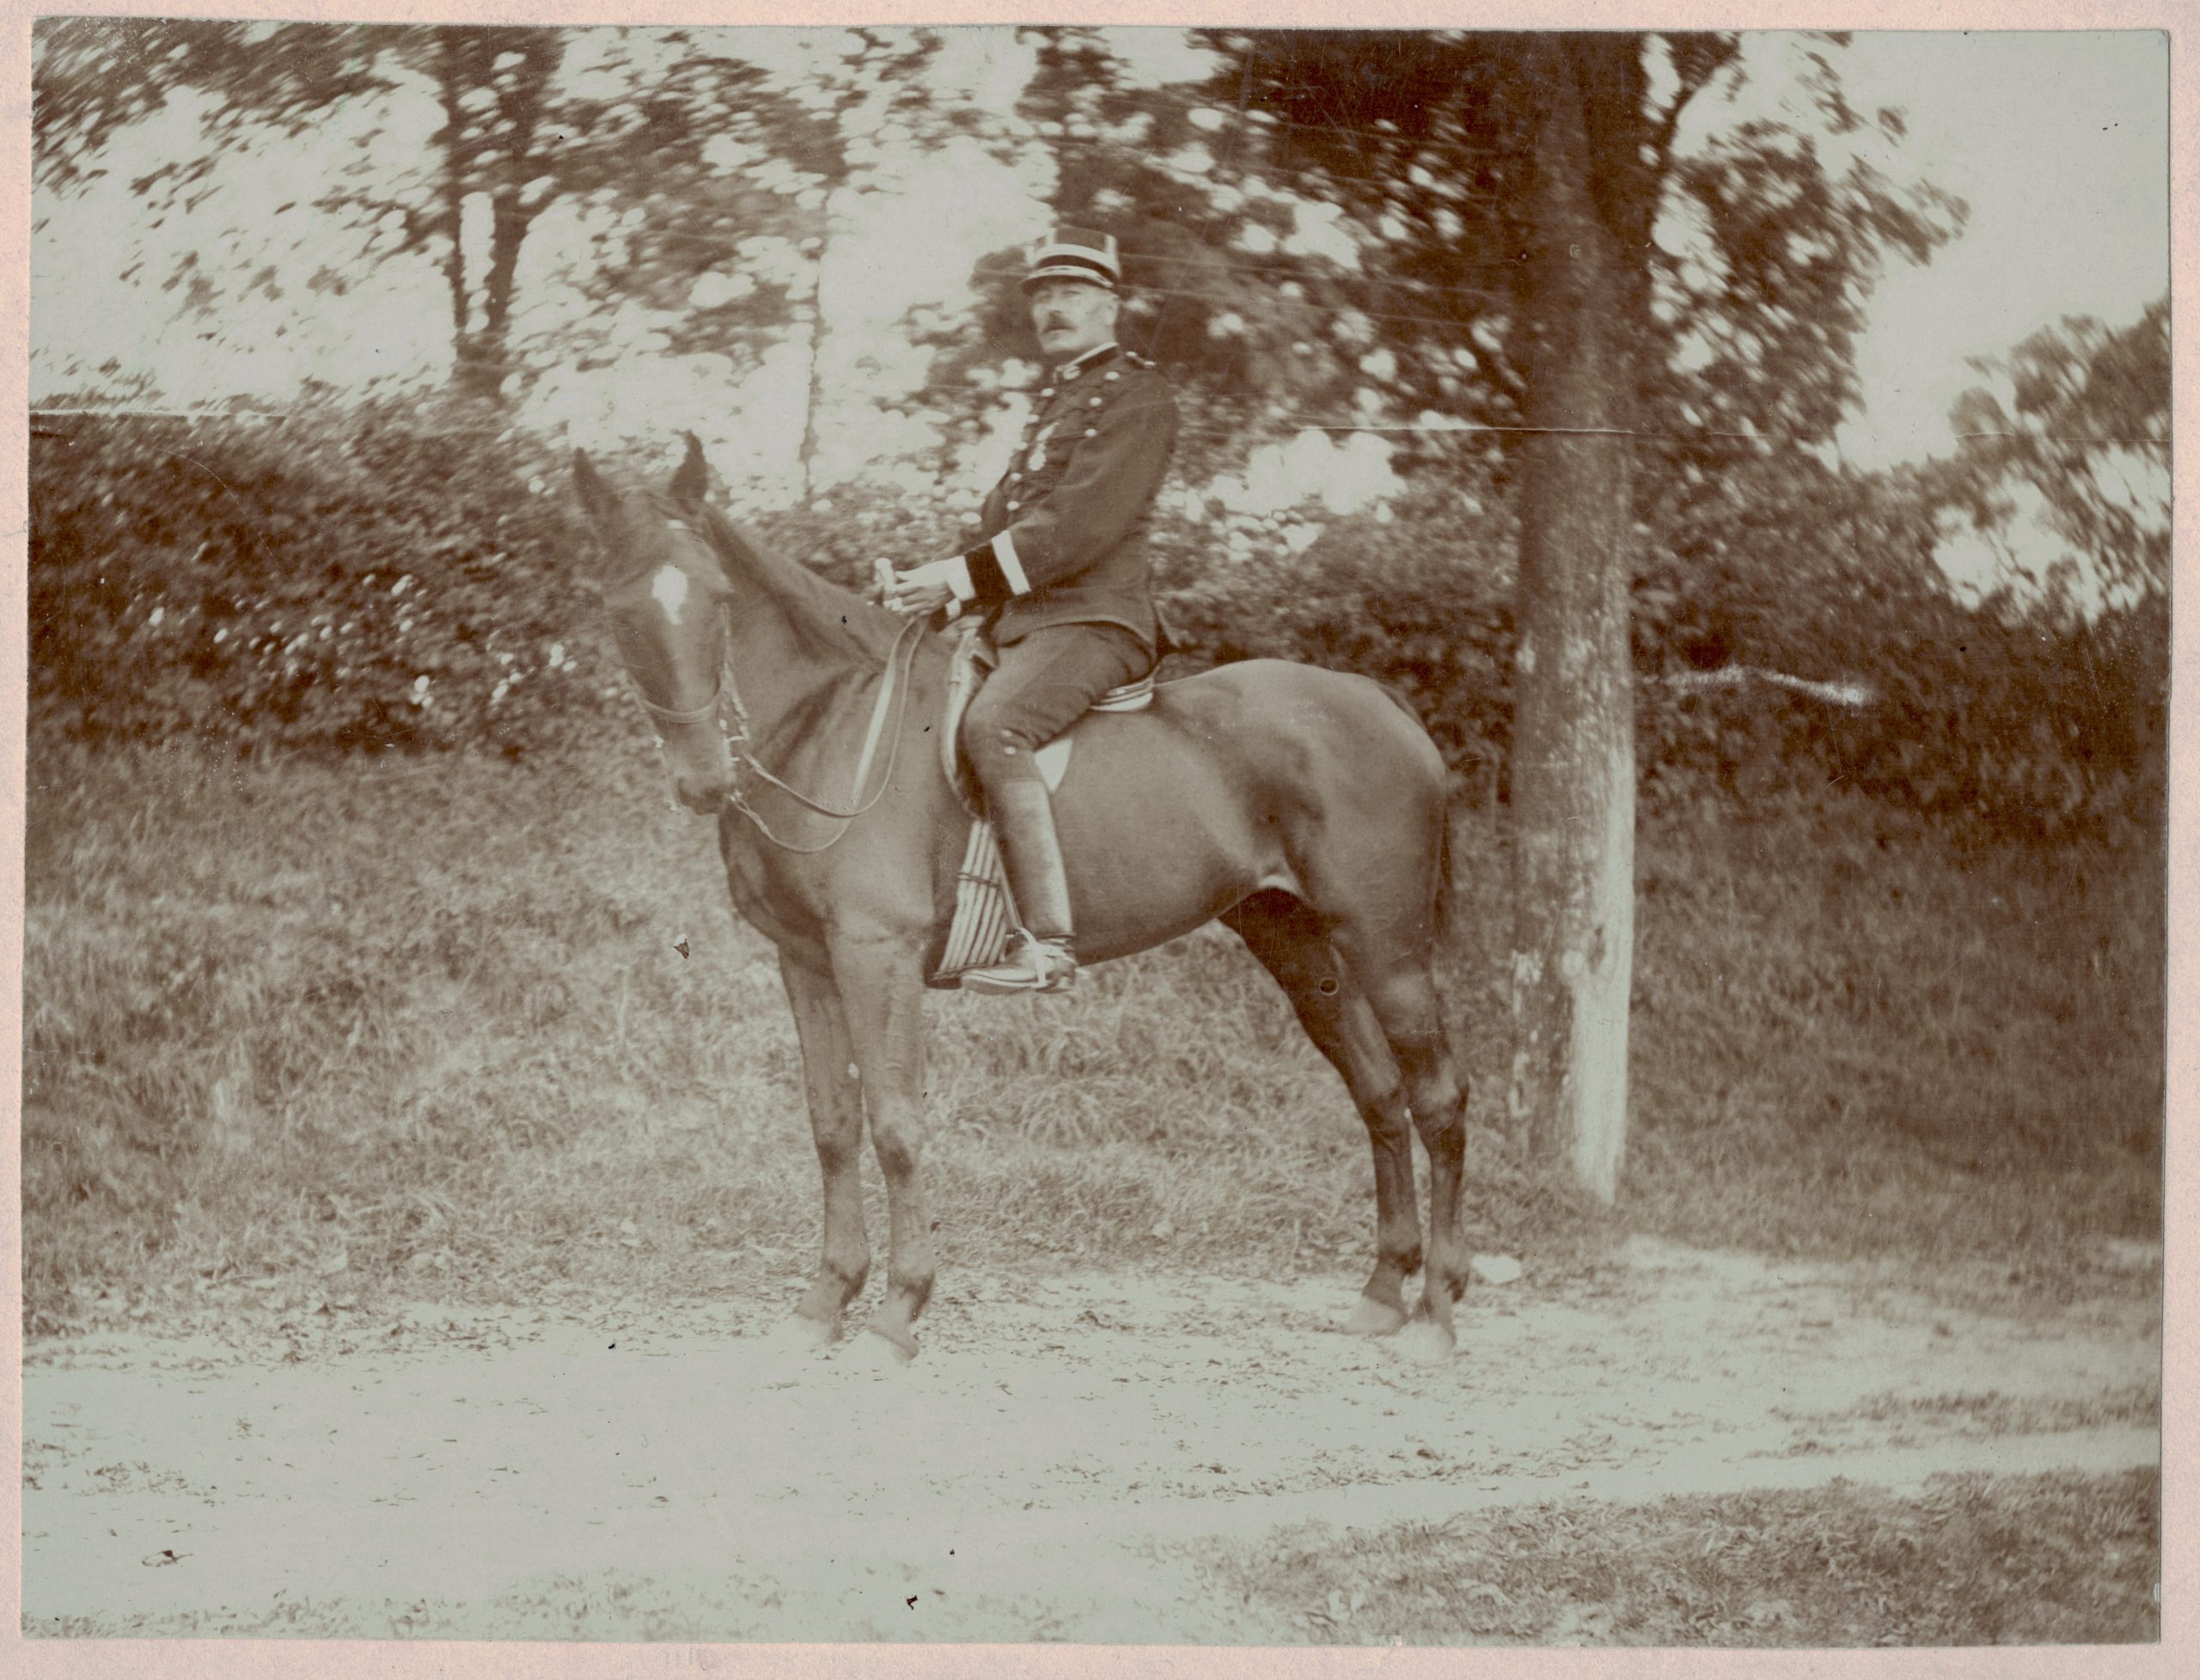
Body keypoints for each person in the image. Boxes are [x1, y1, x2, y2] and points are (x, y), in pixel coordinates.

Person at [883, 227, 1179, 995]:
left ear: (1110, 303)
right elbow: (1002, 522)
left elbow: (1078, 526)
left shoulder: (1137, 394)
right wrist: (933, 587)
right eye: (1044, 295)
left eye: (1073, 293)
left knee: (995, 725)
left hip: (1095, 620)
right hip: (1024, 625)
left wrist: (961, 573)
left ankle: (1047, 943)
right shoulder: (1061, 400)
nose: (1055, 308)